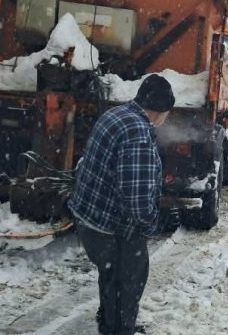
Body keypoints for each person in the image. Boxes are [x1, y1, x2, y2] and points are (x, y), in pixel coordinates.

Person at [68, 74, 175, 335]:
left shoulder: (117, 114)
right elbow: (136, 197)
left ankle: (112, 322)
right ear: (160, 110)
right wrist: (152, 221)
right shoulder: (137, 133)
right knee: (128, 280)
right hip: (109, 227)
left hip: (89, 218)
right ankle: (118, 329)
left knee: (111, 275)